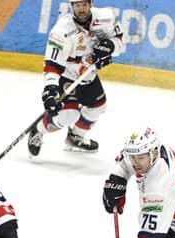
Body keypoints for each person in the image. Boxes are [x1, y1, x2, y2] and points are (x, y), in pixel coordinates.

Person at [27, 0, 124, 156]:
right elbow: (52, 64)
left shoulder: (107, 17)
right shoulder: (62, 30)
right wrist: (50, 88)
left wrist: (111, 45)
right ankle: (38, 130)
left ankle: (75, 137)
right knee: (68, 115)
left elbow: (119, 41)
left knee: (98, 107)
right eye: (77, 5)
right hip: (67, 75)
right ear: (71, 6)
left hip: (88, 74)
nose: (81, 9)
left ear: (91, 4)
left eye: (84, 4)